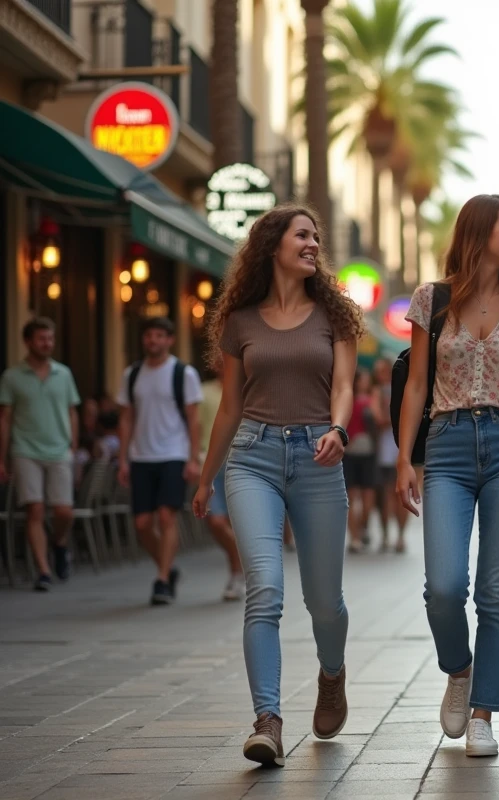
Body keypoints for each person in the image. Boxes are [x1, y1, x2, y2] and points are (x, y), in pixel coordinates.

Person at [193, 204, 362, 767]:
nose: (314, 243)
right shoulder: (240, 321)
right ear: (273, 247)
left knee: (324, 603)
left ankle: (331, 674)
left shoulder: (335, 316)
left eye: (316, 235)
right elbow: (230, 408)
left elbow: (342, 385)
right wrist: (206, 478)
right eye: (303, 235)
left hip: (318, 456)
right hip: (252, 458)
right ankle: (268, 719)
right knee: (263, 587)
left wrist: (338, 429)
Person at [394, 194, 499, 758]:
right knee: (443, 587)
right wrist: (405, 459)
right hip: (447, 447)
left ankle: (484, 712)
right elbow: (415, 384)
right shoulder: (431, 300)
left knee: (495, 593)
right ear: (481, 231)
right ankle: (458, 669)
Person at [116, 317, 203, 605]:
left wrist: (192, 458)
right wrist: (123, 458)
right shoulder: (132, 374)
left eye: (159, 335)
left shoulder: (183, 373)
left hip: (173, 454)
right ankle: (168, 567)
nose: (153, 340)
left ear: (169, 340)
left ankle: (162, 579)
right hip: (141, 455)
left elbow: (194, 419)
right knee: (142, 523)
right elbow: (126, 418)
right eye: (148, 335)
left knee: (166, 516)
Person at [0, 318, 80, 592]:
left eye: (50, 338)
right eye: (41, 339)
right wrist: (2, 458)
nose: (47, 343)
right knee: (34, 509)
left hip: (59, 450)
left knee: (64, 512)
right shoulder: (12, 377)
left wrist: (72, 447)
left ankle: (58, 544)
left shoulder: (64, 374)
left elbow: (72, 412)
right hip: (25, 451)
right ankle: (43, 571)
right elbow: (5, 418)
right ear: (28, 342)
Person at [198, 357, 244, 601]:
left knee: (238, 523)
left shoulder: (245, 390)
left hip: (240, 460)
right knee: (215, 521)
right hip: (211, 460)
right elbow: (194, 426)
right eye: (216, 360)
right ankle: (241, 561)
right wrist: (194, 457)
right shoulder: (203, 392)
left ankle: (237, 574)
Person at [371, 357, 407, 552]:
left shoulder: (398, 390)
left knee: (396, 495)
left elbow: (379, 417)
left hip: (398, 449)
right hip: (385, 450)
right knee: (387, 495)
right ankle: (389, 535)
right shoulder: (380, 391)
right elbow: (379, 418)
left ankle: (398, 536)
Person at [344, 368, 378, 553]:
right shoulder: (349, 399)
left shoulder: (372, 400)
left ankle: (362, 528)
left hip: (368, 453)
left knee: (366, 497)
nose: (363, 383)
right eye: (361, 380)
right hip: (350, 452)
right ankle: (355, 537)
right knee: (351, 498)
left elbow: (379, 421)